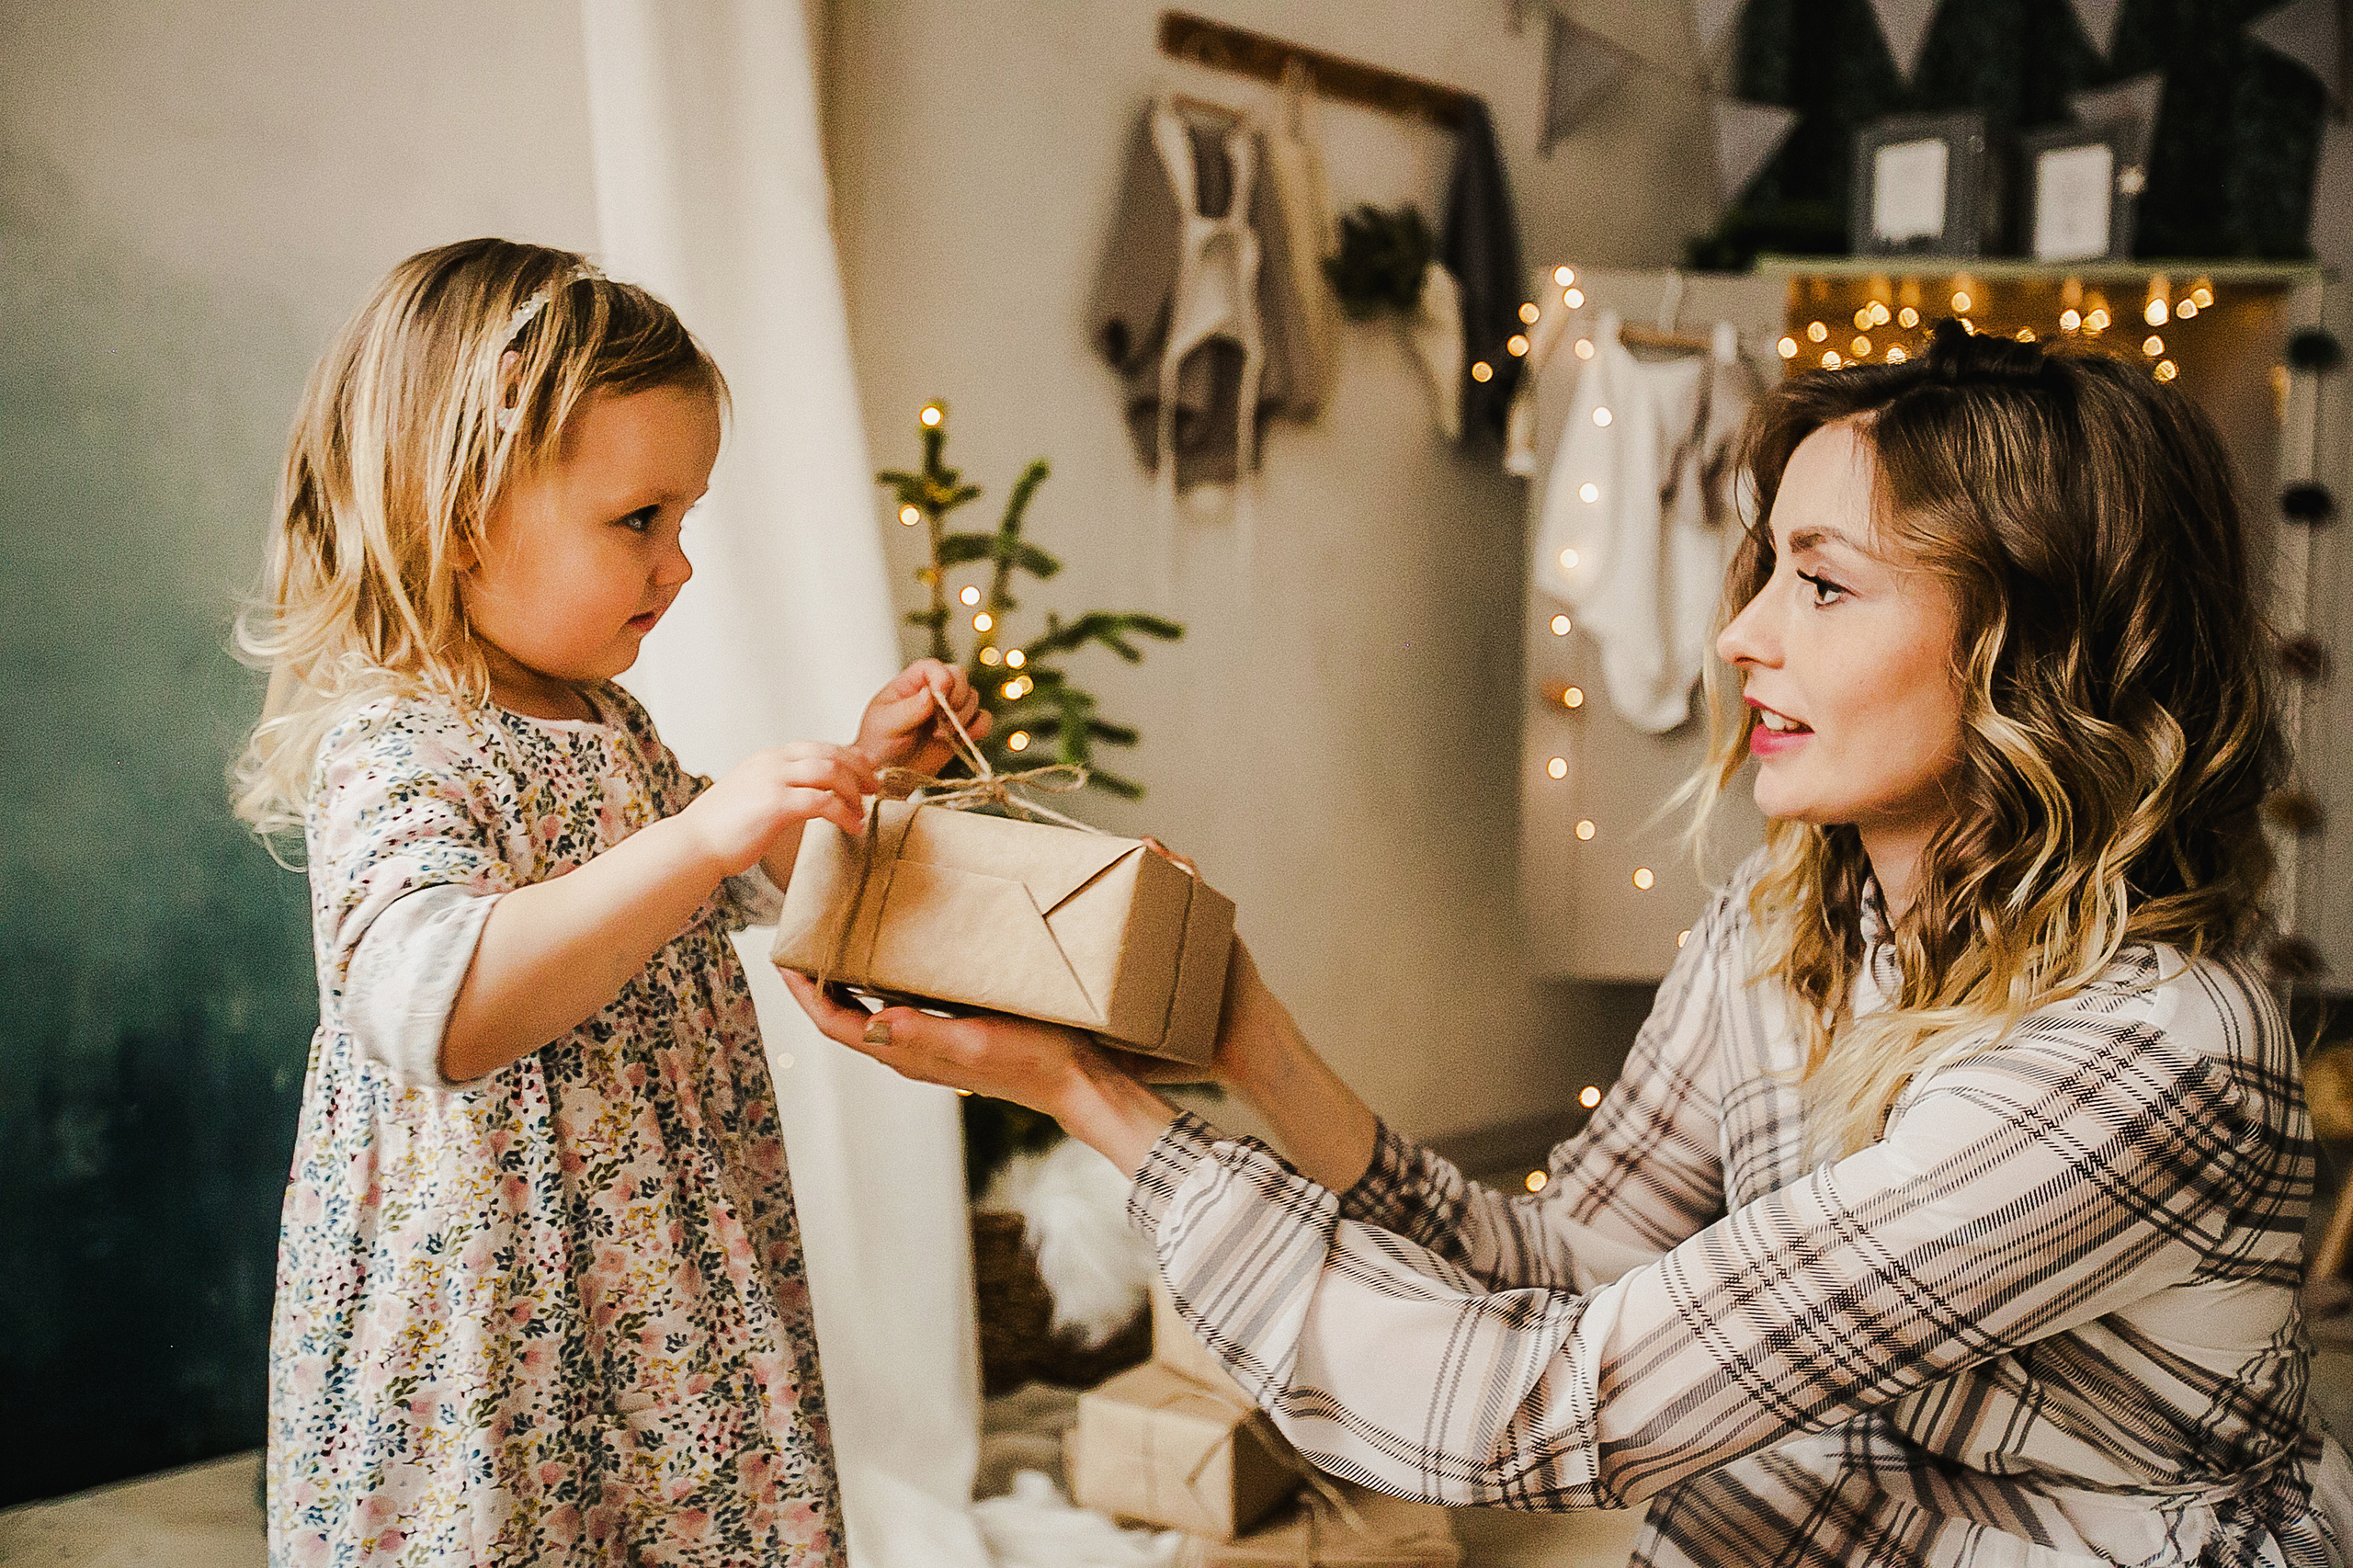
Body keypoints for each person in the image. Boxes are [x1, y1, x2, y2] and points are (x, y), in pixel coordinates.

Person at [787, 321, 2345, 1564]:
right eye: (1767, 571)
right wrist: (1242, 1038)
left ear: (2040, 645)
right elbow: (1567, 1269)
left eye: (1823, 583)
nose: (1744, 634)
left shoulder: (2154, 1058)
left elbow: (1540, 1408)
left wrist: (1096, 1103)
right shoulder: (1784, 924)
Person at [234, 237, 987, 1566]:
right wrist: (700, 834)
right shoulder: (400, 741)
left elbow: (723, 888)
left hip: (654, 1275)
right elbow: (439, 1009)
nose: (678, 564)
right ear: (463, 511)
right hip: (491, 1302)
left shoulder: (604, 718)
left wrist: (854, 776)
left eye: (684, 520)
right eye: (639, 521)